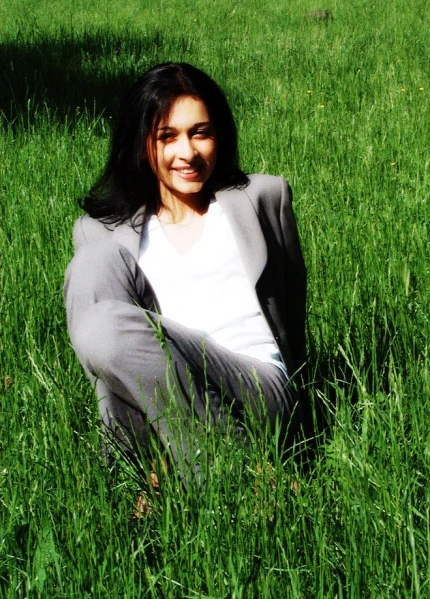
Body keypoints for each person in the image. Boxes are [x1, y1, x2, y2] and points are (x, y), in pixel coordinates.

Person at [64, 62, 309, 484]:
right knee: (94, 273)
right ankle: (144, 469)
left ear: (219, 135)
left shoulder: (262, 197)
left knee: (104, 324)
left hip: (256, 384)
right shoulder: (99, 232)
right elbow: (112, 357)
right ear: (141, 143)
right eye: (167, 137)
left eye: (201, 132)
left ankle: (227, 473)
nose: (188, 153)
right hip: (163, 392)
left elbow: (292, 302)